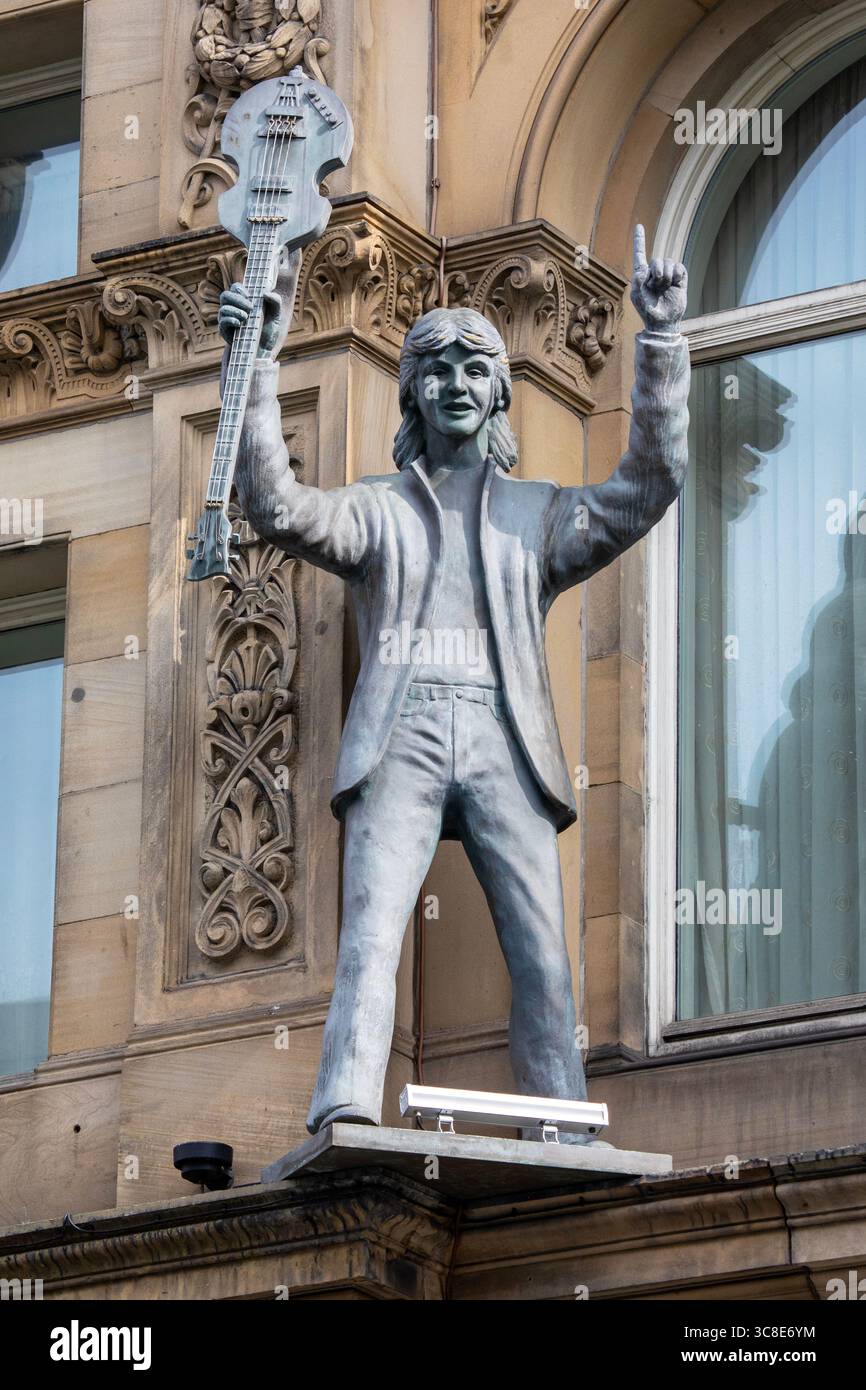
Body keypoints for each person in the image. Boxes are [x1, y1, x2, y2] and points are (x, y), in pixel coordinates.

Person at [219, 225, 690, 1139]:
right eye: (436, 373)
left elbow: (649, 482)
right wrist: (259, 359)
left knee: (542, 952)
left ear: (500, 390)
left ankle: (561, 1119)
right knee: (369, 938)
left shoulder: (538, 514)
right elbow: (273, 503)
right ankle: (346, 1103)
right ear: (414, 394)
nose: (456, 388)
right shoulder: (375, 510)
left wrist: (661, 343)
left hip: (502, 736)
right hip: (399, 735)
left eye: (474, 371)